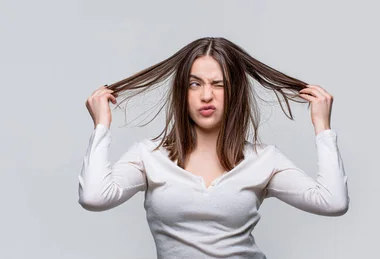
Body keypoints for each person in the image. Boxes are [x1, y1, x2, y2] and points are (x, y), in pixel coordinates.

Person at [78, 37, 349, 259]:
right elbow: (94, 197)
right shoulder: (148, 156)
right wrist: (101, 126)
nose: (206, 95)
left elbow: (333, 202)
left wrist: (322, 127)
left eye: (219, 85)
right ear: (182, 92)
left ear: (236, 92)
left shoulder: (264, 160)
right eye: (195, 84)